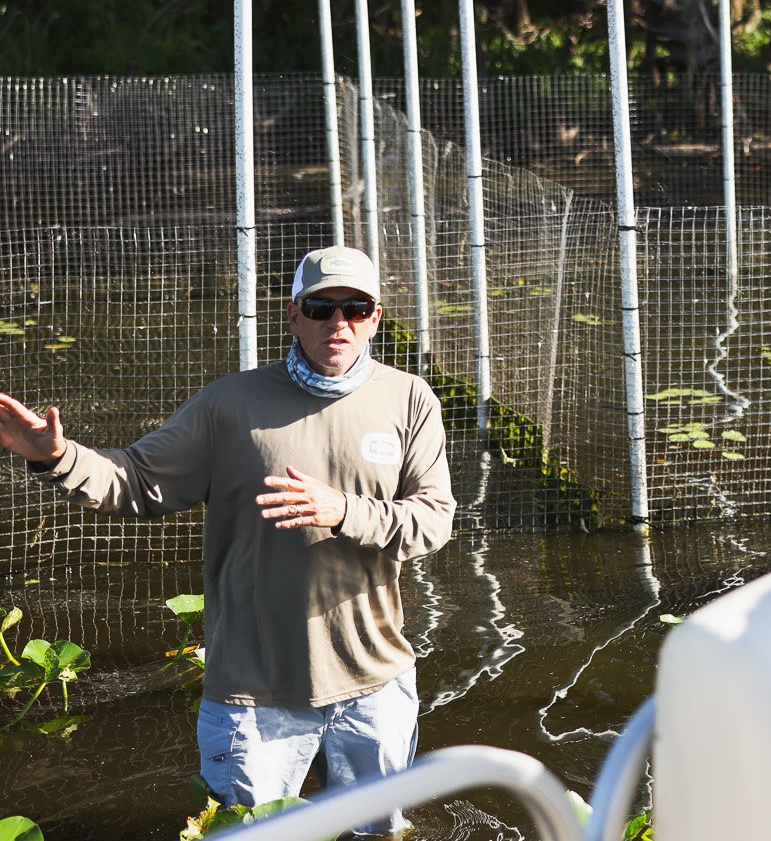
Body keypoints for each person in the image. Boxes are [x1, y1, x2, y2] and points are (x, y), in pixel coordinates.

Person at [0, 245, 453, 834]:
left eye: (355, 308)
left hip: (374, 680)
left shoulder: (409, 398)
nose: (337, 323)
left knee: (379, 831)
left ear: (376, 317)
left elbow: (433, 521)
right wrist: (58, 457)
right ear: (293, 316)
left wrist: (342, 509)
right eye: (321, 307)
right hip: (252, 693)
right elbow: (135, 481)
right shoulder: (228, 404)